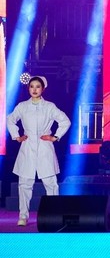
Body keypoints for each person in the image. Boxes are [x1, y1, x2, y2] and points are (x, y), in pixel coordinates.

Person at [6, 76, 71, 227]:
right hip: (27, 147)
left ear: (43, 89)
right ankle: (23, 216)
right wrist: (17, 136)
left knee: (51, 183)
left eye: (37, 86)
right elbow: (10, 119)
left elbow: (65, 121)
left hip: (44, 147)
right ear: (28, 88)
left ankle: (54, 214)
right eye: (31, 86)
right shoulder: (22, 106)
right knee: (24, 184)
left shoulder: (49, 106)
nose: (34, 89)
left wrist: (55, 137)